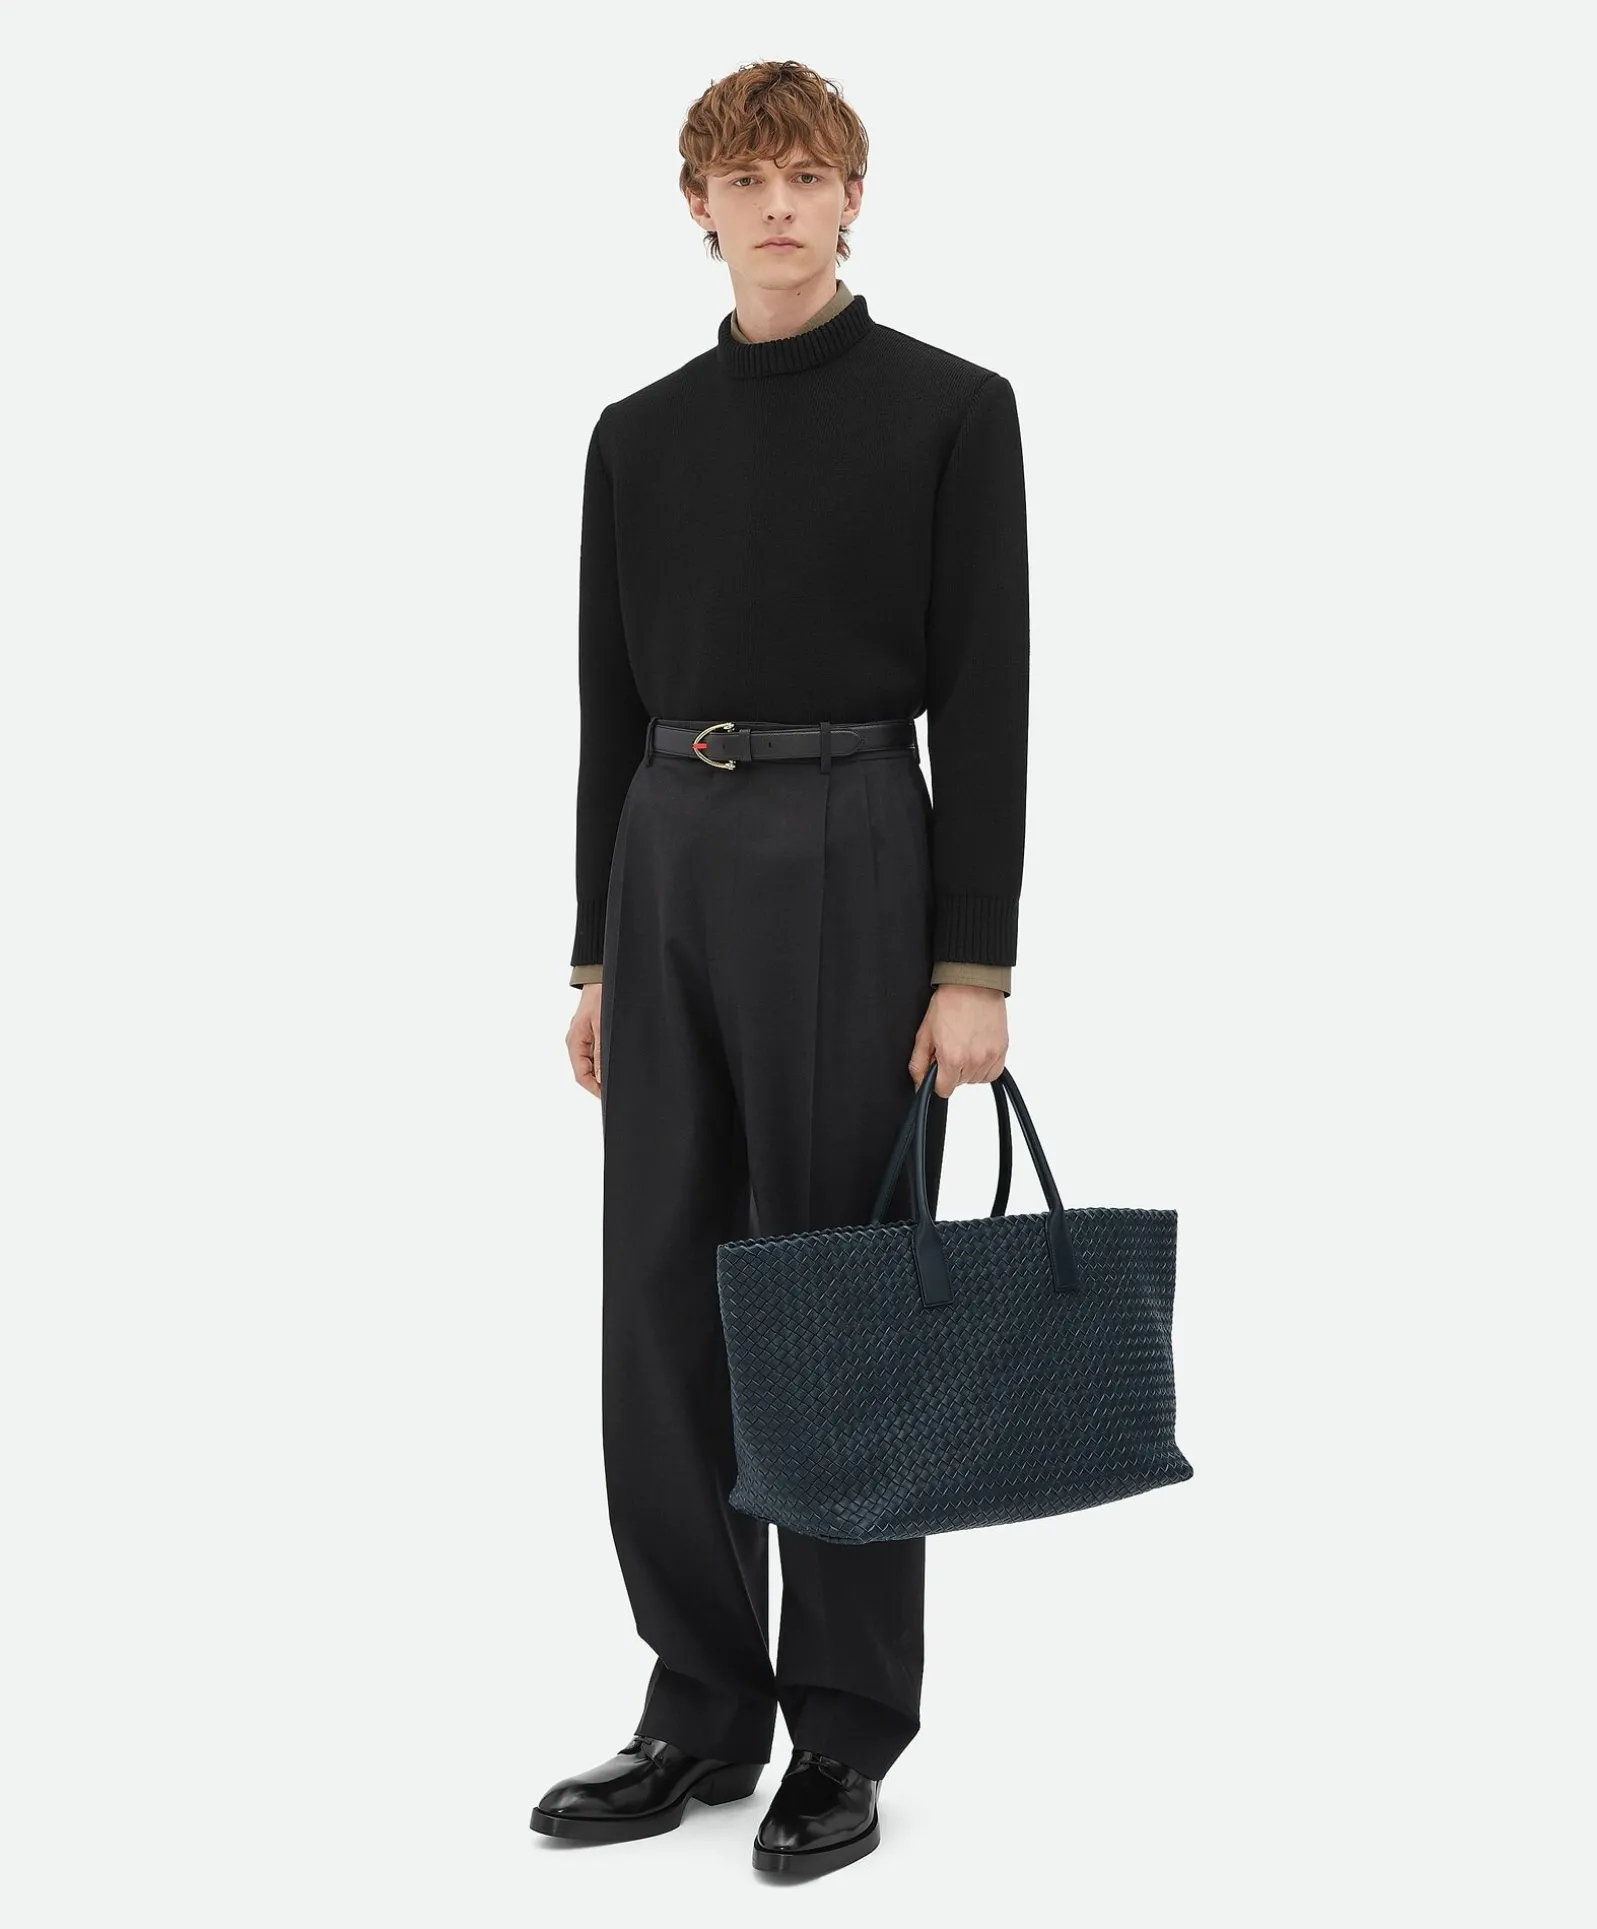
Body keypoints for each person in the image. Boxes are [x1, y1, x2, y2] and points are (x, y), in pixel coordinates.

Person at [530, 58, 1029, 1878]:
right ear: (698, 206)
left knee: (835, 1294)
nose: (779, 206)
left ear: (851, 198)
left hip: (853, 843)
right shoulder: (636, 436)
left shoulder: (950, 411)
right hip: (667, 848)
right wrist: (596, 949)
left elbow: (989, 693)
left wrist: (971, 961)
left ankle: (843, 1725)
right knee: (659, 1294)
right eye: (746, 180)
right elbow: (605, 702)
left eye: (808, 175)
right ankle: (697, 1706)